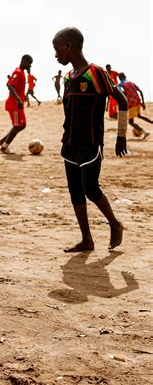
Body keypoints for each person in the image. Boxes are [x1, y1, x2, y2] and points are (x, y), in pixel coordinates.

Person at [52, 27, 127, 252]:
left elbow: (121, 100)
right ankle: (87, 240)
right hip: (70, 143)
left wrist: (121, 135)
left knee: (91, 188)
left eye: (57, 50)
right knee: (75, 190)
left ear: (68, 46)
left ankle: (115, 224)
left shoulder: (96, 73)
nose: (56, 56)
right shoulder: (68, 77)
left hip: (91, 143)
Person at [0, 54, 33, 153]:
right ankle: (4, 147)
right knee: (17, 125)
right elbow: (10, 85)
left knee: (23, 125)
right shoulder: (18, 72)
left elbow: (14, 85)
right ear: (25, 61)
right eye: (30, 64)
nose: (30, 66)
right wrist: (18, 99)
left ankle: (2, 141)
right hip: (14, 104)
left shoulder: (22, 73)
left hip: (18, 103)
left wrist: (23, 97)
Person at [117, 72, 151, 139]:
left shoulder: (120, 85)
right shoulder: (131, 83)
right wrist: (143, 102)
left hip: (131, 104)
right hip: (138, 102)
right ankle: (151, 122)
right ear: (125, 76)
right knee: (139, 116)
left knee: (130, 122)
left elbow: (121, 94)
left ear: (119, 78)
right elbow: (140, 91)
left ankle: (144, 131)